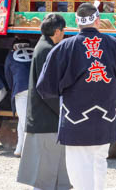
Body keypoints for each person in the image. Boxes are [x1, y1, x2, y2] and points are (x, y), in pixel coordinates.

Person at [37, 3, 116, 190]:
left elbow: (45, 86)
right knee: (99, 161)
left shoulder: (64, 47)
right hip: (106, 115)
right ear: (98, 20)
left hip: (75, 118)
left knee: (79, 166)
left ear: (77, 22)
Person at [16, 13, 71, 190]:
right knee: (45, 175)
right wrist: (63, 111)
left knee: (48, 173)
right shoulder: (48, 50)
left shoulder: (43, 46)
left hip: (43, 116)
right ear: (57, 31)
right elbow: (48, 89)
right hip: (47, 118)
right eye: (63, 30)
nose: (64, 34)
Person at [5, 42, 34, 158]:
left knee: (23, 119)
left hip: (20, 89)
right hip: (36, 88)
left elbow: (8, 75)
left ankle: (25, 148)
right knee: (25, 119)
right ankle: (20, 147)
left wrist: (12, 88)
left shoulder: (11, 56)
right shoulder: (36, 52)